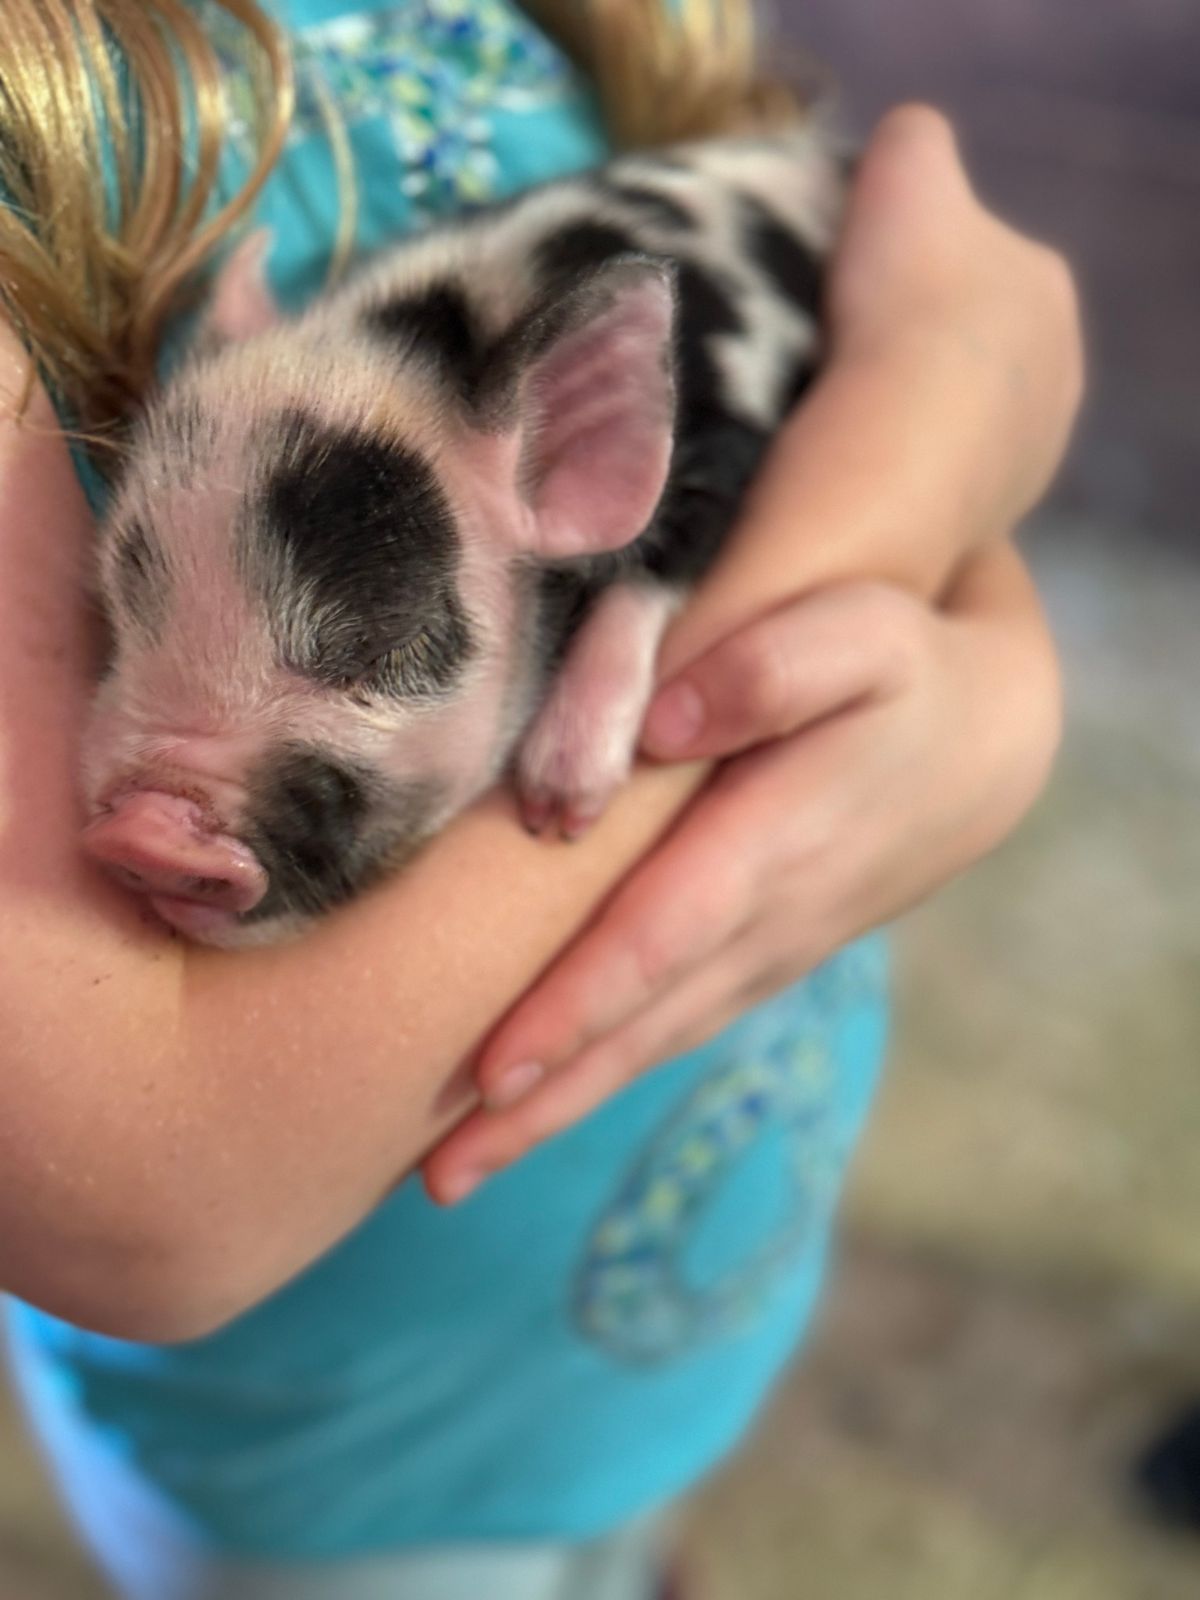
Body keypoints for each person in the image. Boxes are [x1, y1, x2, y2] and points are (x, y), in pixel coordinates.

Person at [0, 2, 1081, 1597]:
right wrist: (933, 450)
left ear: (592, 463)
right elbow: (147, 1205)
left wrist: (983, 619)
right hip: (339, 1458)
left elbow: (784, 394)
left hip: (678, 1279)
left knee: (631, 1529)